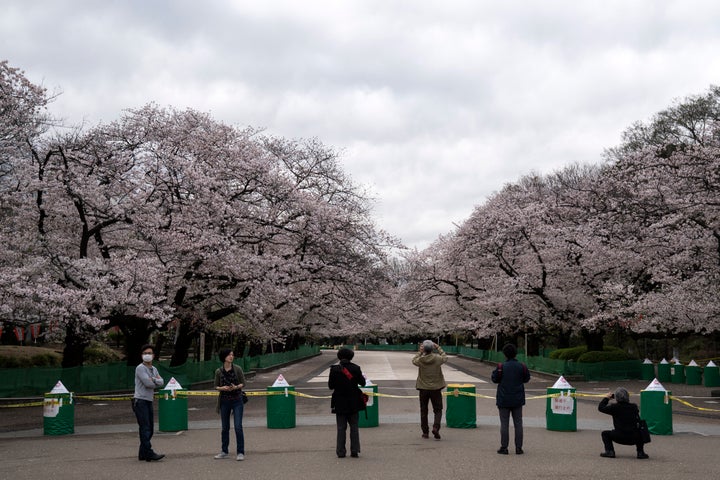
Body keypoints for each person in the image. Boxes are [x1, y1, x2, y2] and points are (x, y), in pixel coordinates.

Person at [491, 343, 530, 455]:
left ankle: (504, 447)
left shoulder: (501, 367)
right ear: (515, 353)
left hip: (503, 399)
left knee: (504, 423)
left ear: (505, 354)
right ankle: (519, 448)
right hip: (517, 398)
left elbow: (494, 379)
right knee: (518, 423)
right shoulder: (521, 366)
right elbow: (526, 379)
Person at [328, 347, 366, 458]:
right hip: (354, 401)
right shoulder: (356, 368)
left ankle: (340, 451)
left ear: (339, 356)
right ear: (351, 356)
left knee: (341, 428)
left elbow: (331, 386)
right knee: (354, 427)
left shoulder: (334, 369)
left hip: (339, 402)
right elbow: (362, 383)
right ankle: (355, 450)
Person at [132, 344, 165, 462]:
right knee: (145, 428)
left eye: (149, 353)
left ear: (153, 355)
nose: (147, 355)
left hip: (148, 400)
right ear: (142, 355)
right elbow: (148, 384)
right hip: (140, 401)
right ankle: (149, 452)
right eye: (145, 353)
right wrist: (154, 381)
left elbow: (161, 382)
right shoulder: (140, 368)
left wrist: (154, 380)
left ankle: (142, 453)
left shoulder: (154, 369)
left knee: (149, 428)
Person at [213, 348, 246, 461]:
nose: (231, 357)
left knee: (238, 426)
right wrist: (222, 388)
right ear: (224, 357)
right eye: (229, 355)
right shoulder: (219, 371)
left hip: (237, 399)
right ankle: (224, 451)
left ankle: (240, 452)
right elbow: (215, 386)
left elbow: (243, 383)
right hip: (224, 401)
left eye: (232, 355)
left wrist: (236, 387)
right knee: (225, 427)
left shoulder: (237, 369)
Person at [598, 387, 649, 459]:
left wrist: (606, 398)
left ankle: (610, 451)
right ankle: (640, 452)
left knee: (605, 434)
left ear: (616, 398)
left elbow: (601, 408)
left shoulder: (614, 407)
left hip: (619, 436)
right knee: (640, 432)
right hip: (634, 438)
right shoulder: (634, 407)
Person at [412, 340, 447, 439]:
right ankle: (436, 427)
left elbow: (413, 360)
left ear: (424, 349)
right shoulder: (437, 359)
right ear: (432, 349)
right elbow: (445, 357)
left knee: (424, 410)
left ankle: (425, 432)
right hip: (436, 388)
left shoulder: (421, 360)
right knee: (438, 410)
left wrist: (420, 351)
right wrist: (438, 347)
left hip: (423, 388)